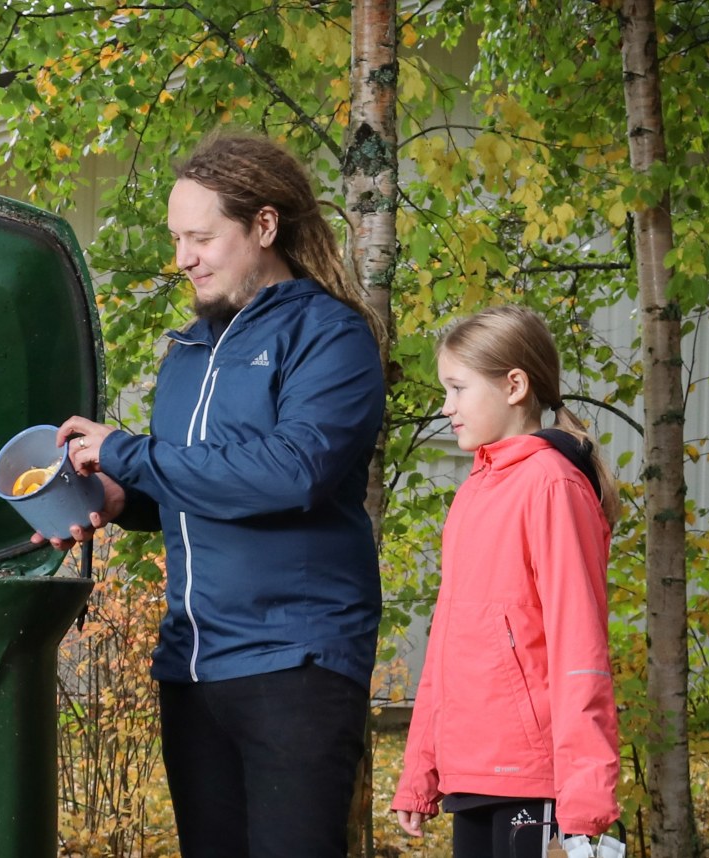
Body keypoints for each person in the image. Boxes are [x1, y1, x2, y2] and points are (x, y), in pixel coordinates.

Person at [37, 131, 386, 857]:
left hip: (296, 662)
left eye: (202, 237)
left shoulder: (331, 336)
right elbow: (193, 487)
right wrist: (114, 494)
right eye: (176, 239)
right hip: (193, 667)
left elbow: (293, 472)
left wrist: (128, 450)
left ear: (264, 226)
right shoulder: (189, 352)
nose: (184, 258)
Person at [391, 305, 622, 856]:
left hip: (532, 775)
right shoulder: (476, 491)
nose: (446, 408)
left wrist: (586, 795)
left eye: (457, 388)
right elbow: (448, 641)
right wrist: (420, 769)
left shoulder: (551, 486)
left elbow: (579, 646)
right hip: (471, 772)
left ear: (514, 385)